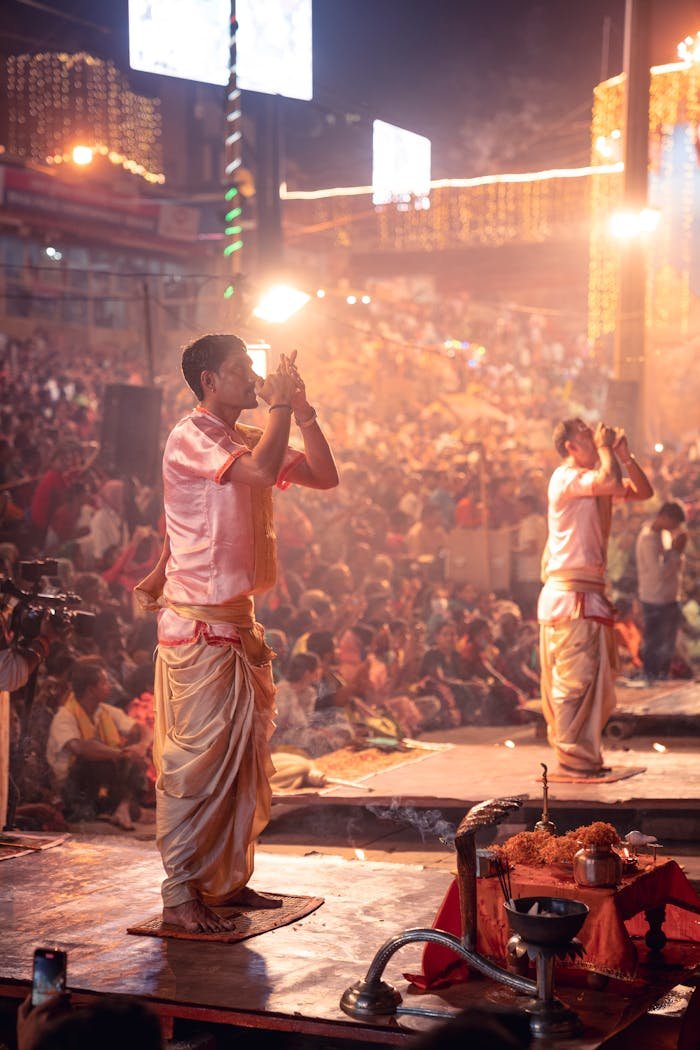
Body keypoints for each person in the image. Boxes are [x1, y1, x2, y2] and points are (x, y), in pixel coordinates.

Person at [135, 334, 338, 933]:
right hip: (198, 631)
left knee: (242, 764)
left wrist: (301, 409)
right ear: (208, 382)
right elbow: (261, 472)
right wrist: (278, 409)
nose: (253, 379)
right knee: (196, 767)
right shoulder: (191, 435)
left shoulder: (244, 434)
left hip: (237, 624)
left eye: (253, 371)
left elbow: (324, 476)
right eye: (241, 370)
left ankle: (225, 882)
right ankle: (180, 894)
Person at [538, 419, 653, 776]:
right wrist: (607, 451)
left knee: (591, 680)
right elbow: (607, 481)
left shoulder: (595, 479)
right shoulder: (566, 477)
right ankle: (573, 757)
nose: (595, 437)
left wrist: (624, 455)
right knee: (574, 682)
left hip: (587, 594)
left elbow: (643, 492)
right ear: (571, 446)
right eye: (587, 435)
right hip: (570, 597)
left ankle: (584, 754)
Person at [46, 657, 150, 829]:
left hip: (102, 784)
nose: (109, 686)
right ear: (91, 690)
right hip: (72, 787)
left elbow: (141, 729)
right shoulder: (64, 717)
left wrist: (141, 746)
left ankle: (122, 808)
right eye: (104, 683)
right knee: (99, 757)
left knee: (134, 760)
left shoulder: (105, 711)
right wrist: (122, 753)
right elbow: (81, 749)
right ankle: (123, 809)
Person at [635, 501, 687, 682]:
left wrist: (676, 553)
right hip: (655, 598)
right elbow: (658, 574)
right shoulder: (648, 538)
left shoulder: (663, 535)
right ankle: (650, 677)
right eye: (674, 523)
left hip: (670, 597)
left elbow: (672, 567)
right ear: (664, 517)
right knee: (654, 643)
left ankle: (662, 678)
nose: (675, 528)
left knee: (668, 644)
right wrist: (675, 552)